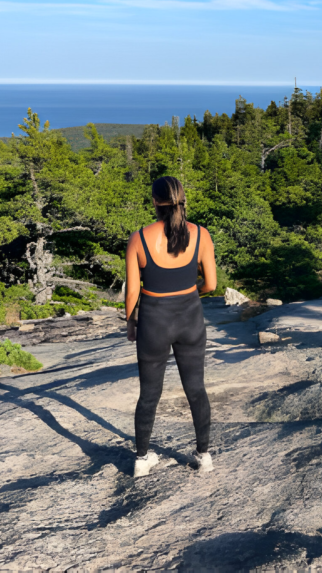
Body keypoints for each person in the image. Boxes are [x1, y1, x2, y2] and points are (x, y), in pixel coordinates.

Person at [125, 176, 217, 478]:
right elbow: (211, 284)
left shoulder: (139, 238)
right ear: (182, 200)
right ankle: (203, 456)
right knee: (196, 390)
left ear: (154, 202)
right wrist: (191, 294)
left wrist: (131, 322)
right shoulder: (201, 235)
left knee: (149, 393)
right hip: (190, 319)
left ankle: (142, 459)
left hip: (154, 321)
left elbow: (133, 292)